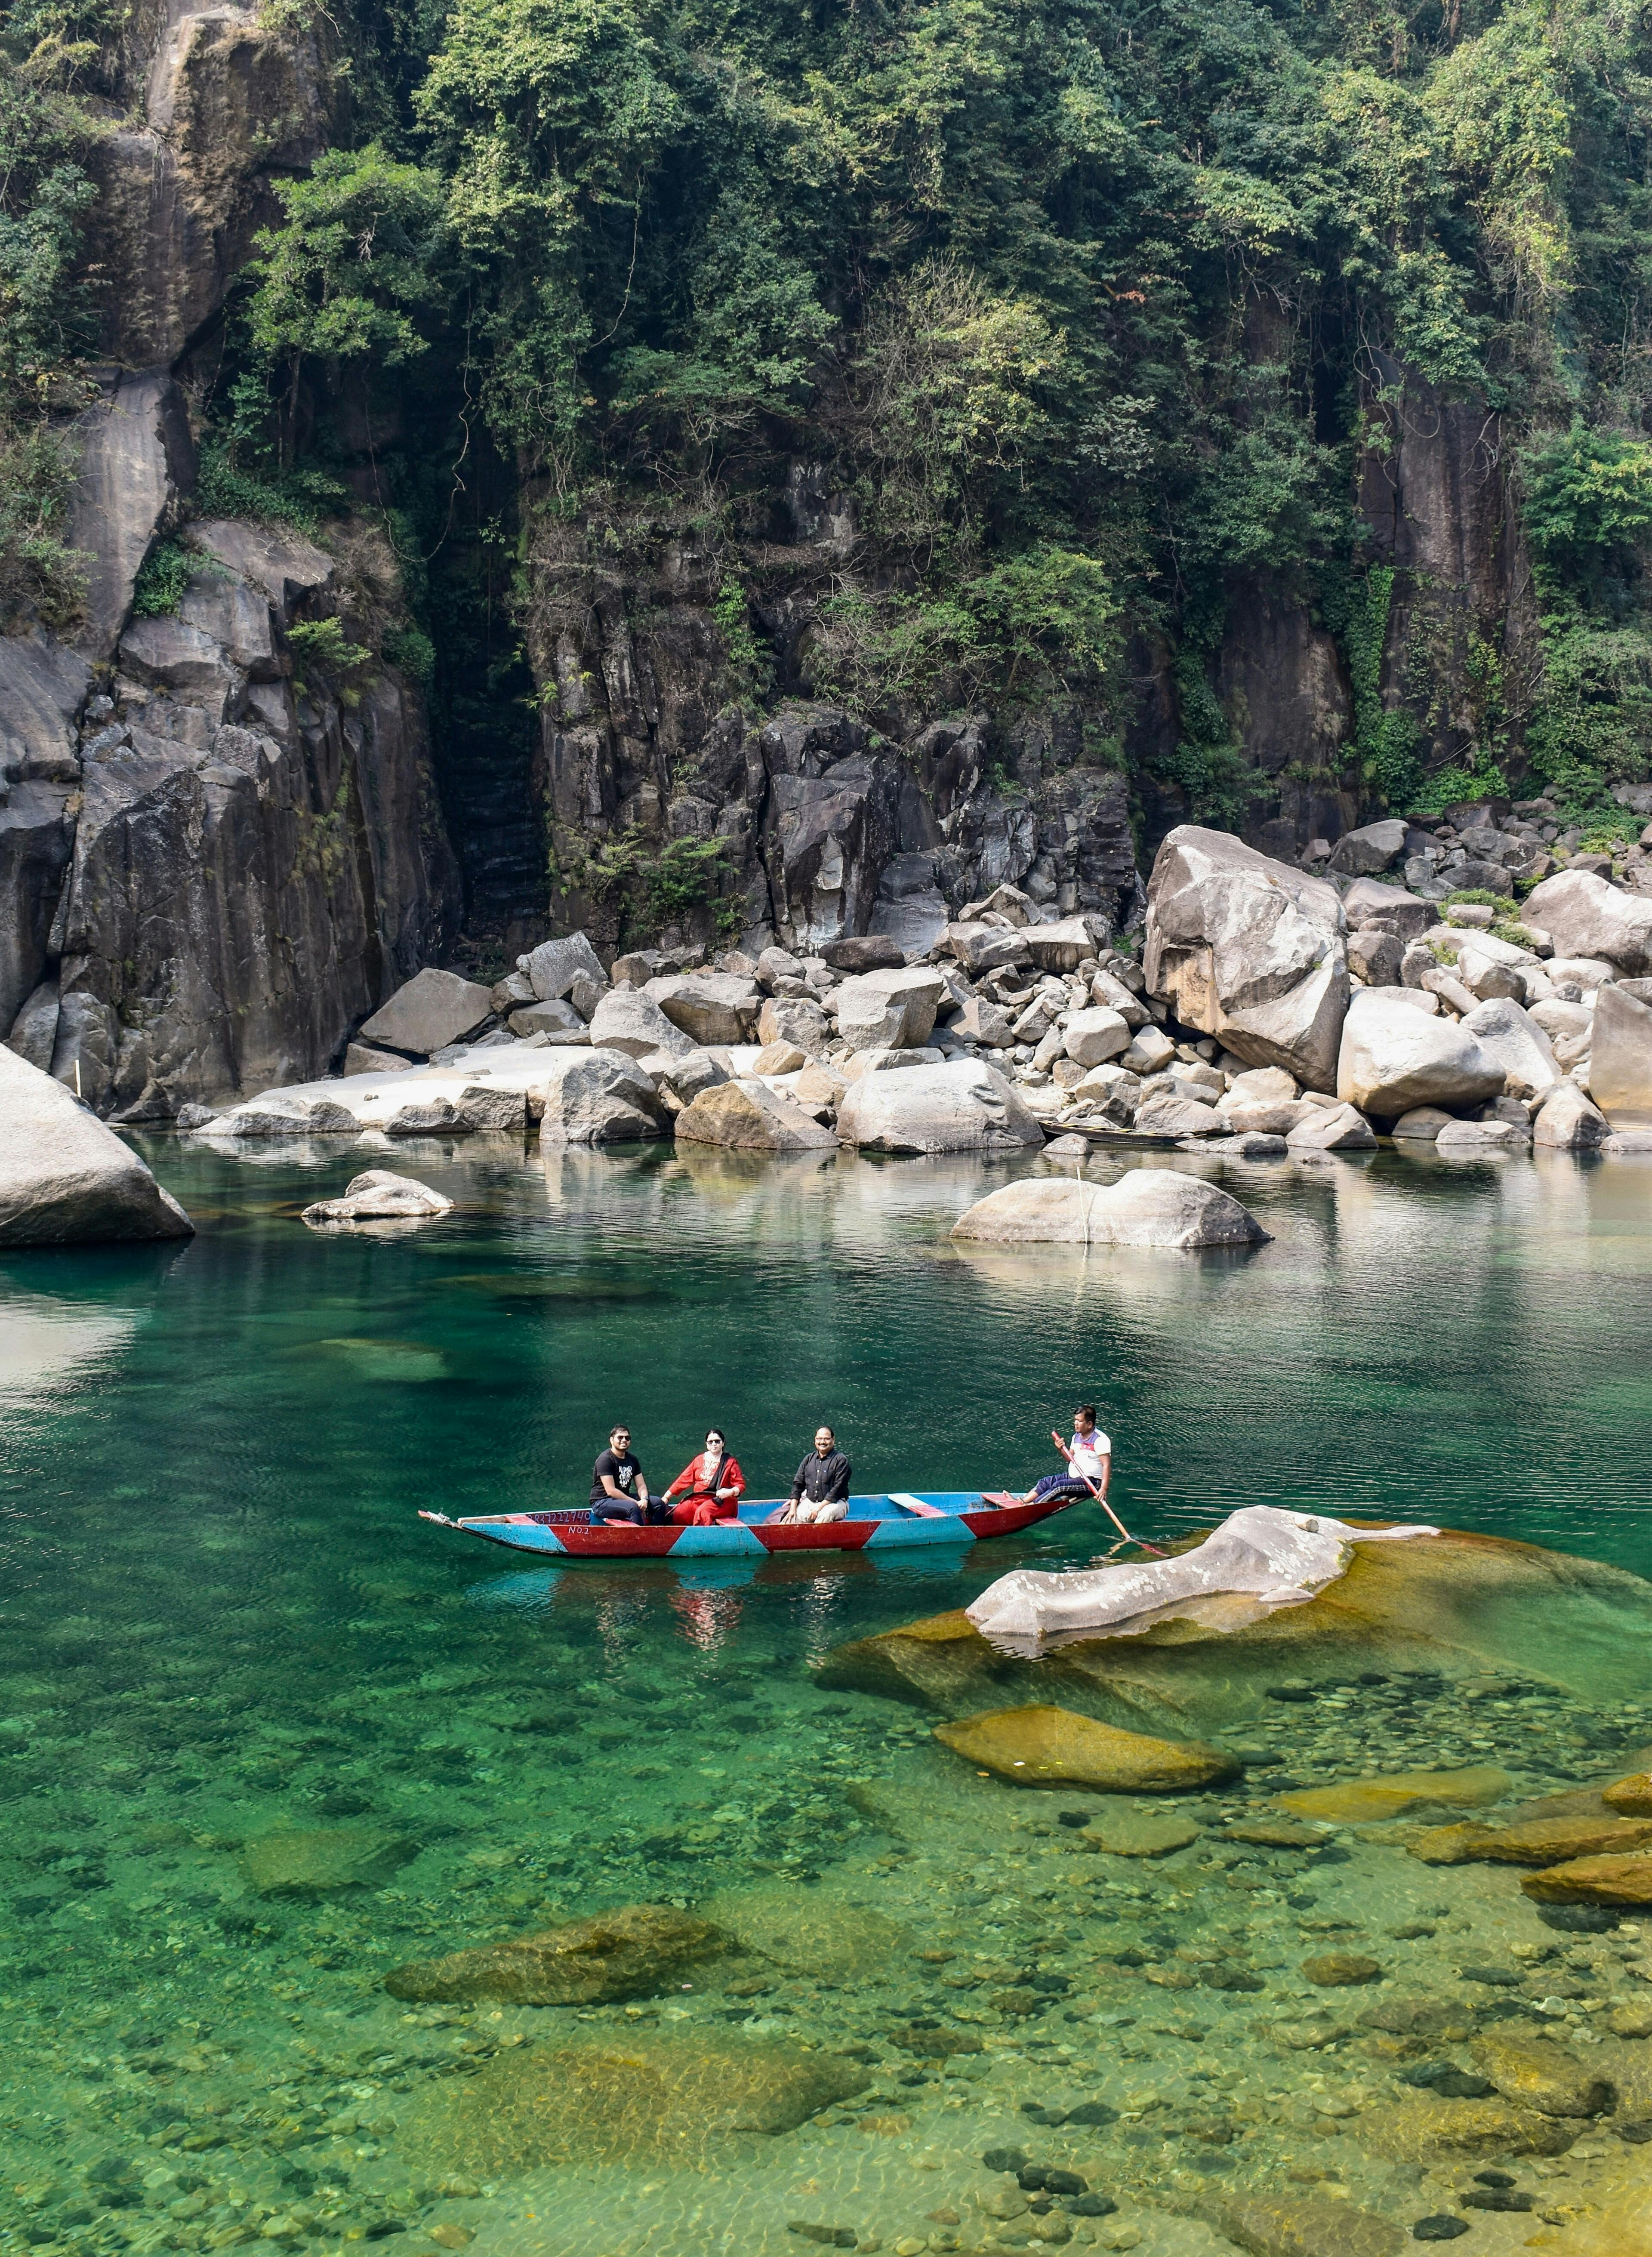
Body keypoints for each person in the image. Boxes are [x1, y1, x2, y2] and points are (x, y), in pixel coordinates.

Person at [1020, 1405, 1112, 1505]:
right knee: (1046, 1482)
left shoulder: (1100, 1440)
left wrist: (1103, 1489)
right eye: (1075, 1420)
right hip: (1073, 1477)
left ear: (1090, 1424)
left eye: (1080, 1421)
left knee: (1059, 1487)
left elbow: (1106, 1466)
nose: (1076, 1424)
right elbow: (1069, 1459)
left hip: (1091, 1482)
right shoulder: (1076, 1437)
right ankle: (1023, 1502)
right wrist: (1060, 1448)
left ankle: (1032, 1507)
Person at [661, 1428, 747, 1525]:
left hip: (723, 1502)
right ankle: (684, 1537)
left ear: (723, 1443)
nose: (714, 1444)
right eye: (711, 1442)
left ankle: (703, 1538)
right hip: (700, 1499)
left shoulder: (730, 1463)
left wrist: (730, 1492)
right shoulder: (699, 1460)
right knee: (681, 1513)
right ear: (706, 1444)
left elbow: (741, 1485)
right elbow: (683, 1480)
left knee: (703, 1512)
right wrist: (666, 1497)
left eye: (717, 1441)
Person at [774, 1424, 852, 1524]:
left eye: (826, 1439)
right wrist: (793, 1509)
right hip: (810, 1502)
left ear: (833, 1440)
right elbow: (798, 1485)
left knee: (823, 1517)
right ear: (815, 1440)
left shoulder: (841, 1460)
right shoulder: (808, 1459)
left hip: (835, 1503)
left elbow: (836, 1491)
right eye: (819, 1439)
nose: (822, 1442)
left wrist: (818, 1509)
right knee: (789, 1521)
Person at [589, 1425, 655, 1523]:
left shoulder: (633, 1459)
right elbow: (611, 1491)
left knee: (658, 1504)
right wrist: (636, 1503)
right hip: (602, 1502)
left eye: (627, 1438)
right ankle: (640, 1537)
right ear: (612, 1440)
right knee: (633, 1508)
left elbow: (641, 1485)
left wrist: (644, 1499)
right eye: (620, 1437)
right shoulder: (605, 1460)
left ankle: (659, 1534)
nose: (624, 1440)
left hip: (623, 1499)